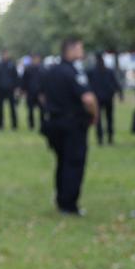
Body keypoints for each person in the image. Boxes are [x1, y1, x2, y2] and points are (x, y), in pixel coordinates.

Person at [39, 37, 98, 215]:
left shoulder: (51, 70)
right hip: (73, 124)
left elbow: (42, 96)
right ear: (70, 50)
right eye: (80, 48)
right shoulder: (74, 72)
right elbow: (88, 99)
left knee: (62, 162)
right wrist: (94, 115)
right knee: (74, 163)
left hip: (53, 122)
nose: (82, 52)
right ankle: (69, 204)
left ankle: (61, 199)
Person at [87, 49, 122, 146]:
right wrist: (120, 93)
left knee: (98, 119)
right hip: (108, 97)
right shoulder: (108, 71)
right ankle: (110, 138)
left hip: (97, 98)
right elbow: (115, 83)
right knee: (109, 118)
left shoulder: (91, 71)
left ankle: (100, 139)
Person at [0, 50, 21, 130]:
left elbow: (16, 77)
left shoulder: (12, 65)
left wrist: (17, 88)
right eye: (4, 54)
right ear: (2, 55)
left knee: (12, 108)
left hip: (10, 89)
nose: (6, 56)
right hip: (0, 89)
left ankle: (14, 125)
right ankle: (0, 126)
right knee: (0, 109)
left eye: (7, 54)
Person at [20, 53, 43, 131]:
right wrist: (23, 91)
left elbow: (46, 81)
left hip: (40, 93)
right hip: (30, 92)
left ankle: (42, 124)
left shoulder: (42, 69)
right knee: (30, 110)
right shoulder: (28, 69)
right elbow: (24, 81)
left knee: (42, 110)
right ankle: (31, 125)